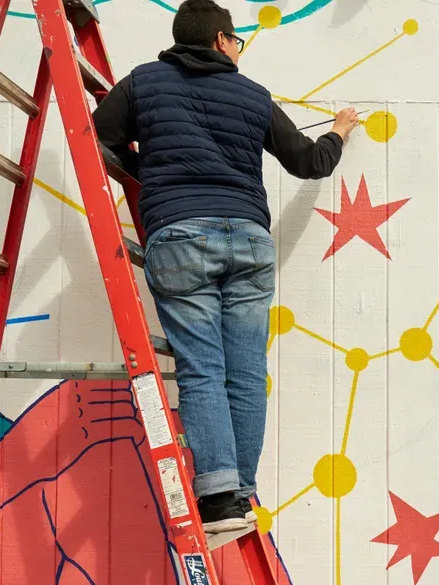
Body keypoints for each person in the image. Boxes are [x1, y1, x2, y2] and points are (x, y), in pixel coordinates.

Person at [92, 0, 360, 532]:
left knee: (202, 369)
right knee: (246, 373)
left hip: (180, 236)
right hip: (249, 243)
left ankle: (217, 498)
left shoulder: (142, 83)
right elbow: (310, 162)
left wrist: (152, 167)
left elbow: (98, 138)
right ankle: (239, 494)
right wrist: (340, 130)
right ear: (220, 40)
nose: (238, 48)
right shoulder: (252, 94)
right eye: (237, 40)